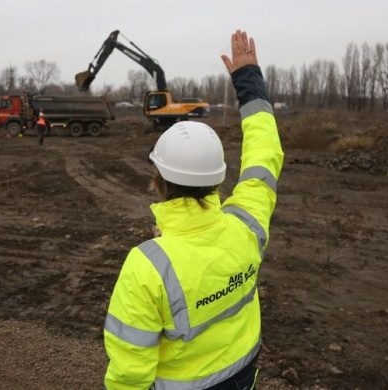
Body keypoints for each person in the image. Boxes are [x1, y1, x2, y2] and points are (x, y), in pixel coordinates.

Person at [103, 30, 283, 390]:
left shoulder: (147, 266)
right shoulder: (247, 224)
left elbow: (129, 374)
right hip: (243, 374)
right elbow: (265, 155)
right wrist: (250, 83)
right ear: (218, 177)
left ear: (159, 179)